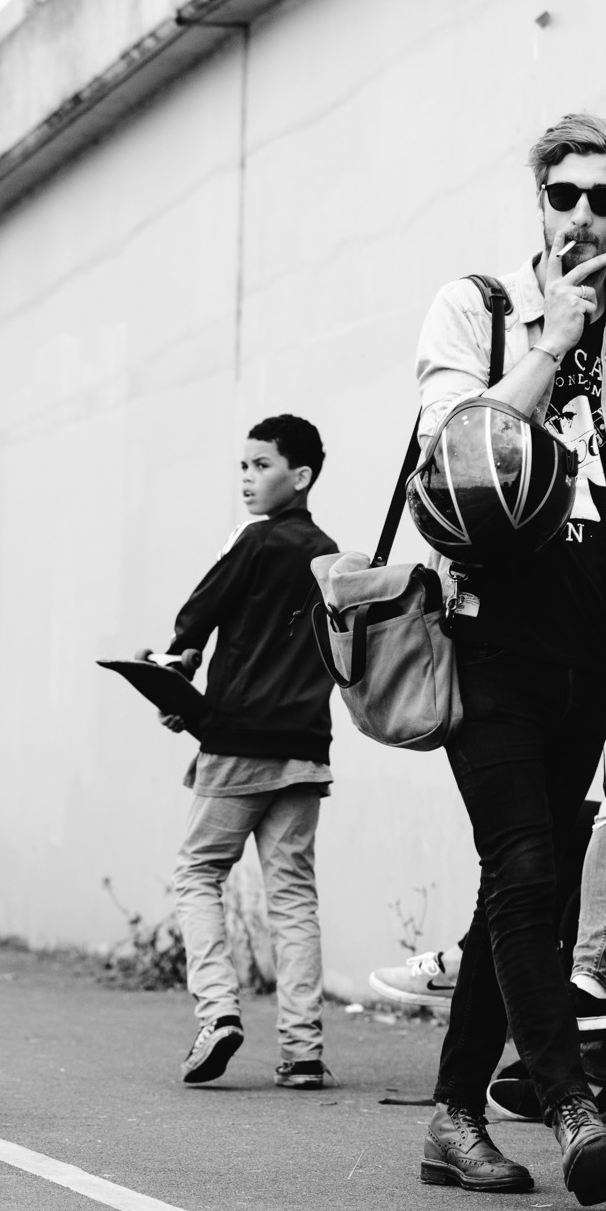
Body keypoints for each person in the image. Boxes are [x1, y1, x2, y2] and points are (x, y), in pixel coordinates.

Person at [414, 112, 606, 1207]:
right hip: (487, 633)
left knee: (521, 885)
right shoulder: (479, 308)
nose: (583, 215)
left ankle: (453, 1118)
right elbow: (450, 444)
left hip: (590, 637)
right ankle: (568, 1103)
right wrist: (554, 340)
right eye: (566, 195)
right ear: (539, 201)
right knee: (528, 866)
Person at [159, 416, 339, 1090]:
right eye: (243, 465)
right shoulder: (330, 555)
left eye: (262, 465)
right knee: (293, 898)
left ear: (301, 476)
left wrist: (175, 668)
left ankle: (218, 1012)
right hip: (306, 746)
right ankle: (303, 1052)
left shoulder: (255, 540)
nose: (247, 478)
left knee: (197, 873)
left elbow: (196, 617)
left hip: (239, 742)